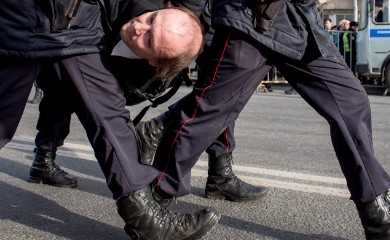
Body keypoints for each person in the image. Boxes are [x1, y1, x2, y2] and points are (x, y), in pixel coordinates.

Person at [140, 0, 390, 240]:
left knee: (352, 103)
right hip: (249, 19)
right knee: (206, 114)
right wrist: (185, 12)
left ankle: (382, 225)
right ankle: (152, 215)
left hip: (299, 21)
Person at [0, 1, 221, 240]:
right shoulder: (138, 8)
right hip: (43, 13)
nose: (139, 26)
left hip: (69, 17)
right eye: (150, 19)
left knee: (107, 110)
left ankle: (148, 225)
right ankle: (149, 226)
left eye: (149, 38)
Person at [29, 0, 269, 202]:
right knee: (67, 82)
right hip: (170, 15)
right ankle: (45, 156)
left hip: (207, 21)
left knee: (222, 93)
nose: (140, 28)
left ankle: (217, 168)